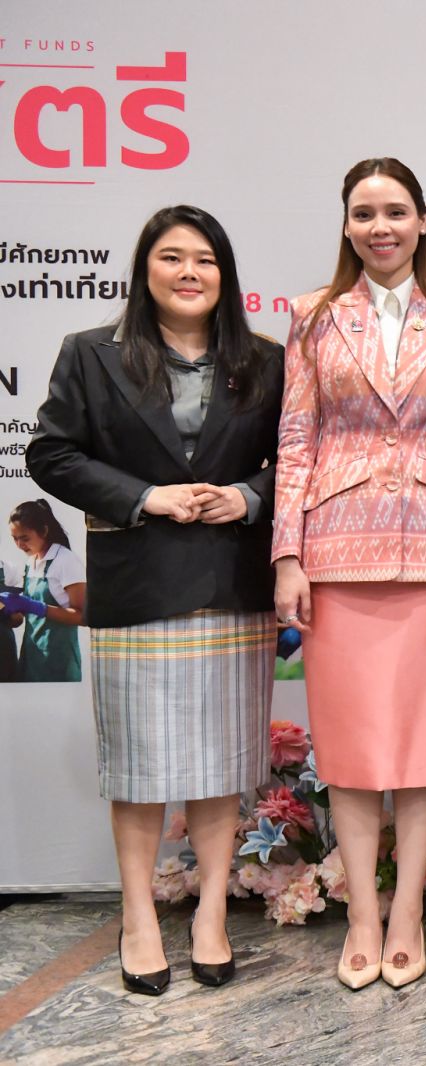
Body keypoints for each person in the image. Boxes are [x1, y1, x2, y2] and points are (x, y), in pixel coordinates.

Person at [26, 204, 283, 994]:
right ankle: (139, 917)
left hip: (231, 587)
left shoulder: (265, 360)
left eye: (205, 259)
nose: (188, 272)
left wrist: (247, 496)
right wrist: (146, 497)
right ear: (146, 270)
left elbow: (300, 461)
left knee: (219, 765)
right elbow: (51, 454)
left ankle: (211, 914)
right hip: (137, 586)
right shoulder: (91, 354)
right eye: (172, 257)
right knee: (140, 769)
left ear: (224, 275)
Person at [273, 158, 426, 991]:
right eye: (364, 213)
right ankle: (363, 911)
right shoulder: (313, 316)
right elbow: (296, 440)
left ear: (424, 221)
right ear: (346, 225)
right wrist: (288, 555)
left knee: (424, 749)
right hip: (336, 553)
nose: (380, 227)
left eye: (395, 211)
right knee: (351, 749)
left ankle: (407, 911)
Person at [5, 499, 86, 681]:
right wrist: (9, 610)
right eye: (14, 538)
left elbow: (83, 617)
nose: (19, 545)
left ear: (44, 531)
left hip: (59, 664)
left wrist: (36, 607)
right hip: (31, 660)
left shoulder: (65, 561)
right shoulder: (31, 562)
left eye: (24, 538)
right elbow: (25, 617)